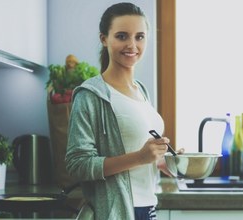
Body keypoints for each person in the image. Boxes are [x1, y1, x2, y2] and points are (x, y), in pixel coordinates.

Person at [65, 2, 178, 220]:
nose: (132, 45)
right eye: (122, 36)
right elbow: (77, 164)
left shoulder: (141, 91)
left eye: (139, 36)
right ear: (104, 39)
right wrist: (140, 157)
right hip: (117, 212)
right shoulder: (90, 95)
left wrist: (161, 160)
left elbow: (134, 150)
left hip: (148, 208)